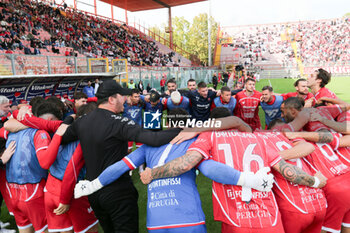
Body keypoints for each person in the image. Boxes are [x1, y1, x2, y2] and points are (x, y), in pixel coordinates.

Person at [74, 108, 274, 233]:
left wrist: (94, 184)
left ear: (168, 122)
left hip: (157, 220)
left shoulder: (148, 145)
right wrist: (248, 179)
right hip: (188, 218)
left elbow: (119, 167)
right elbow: (209, 168)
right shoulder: (194, 142)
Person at [140, 119, 326, 233]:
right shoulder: (258, 138)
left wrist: (152, 173)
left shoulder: (208, 137)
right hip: (269, 216)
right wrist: (317, 181)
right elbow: (288, 171)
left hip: (236, 217)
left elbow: (186, 163)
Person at [58, 79, 192, 233]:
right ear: (111, 99)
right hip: (118, 192)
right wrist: (185, 130)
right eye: (122, 96)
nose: (126, 99)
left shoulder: (82, 122)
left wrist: (70, 118)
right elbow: (153, 139)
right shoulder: (119, 123)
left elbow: (61, 137)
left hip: (94, 194)